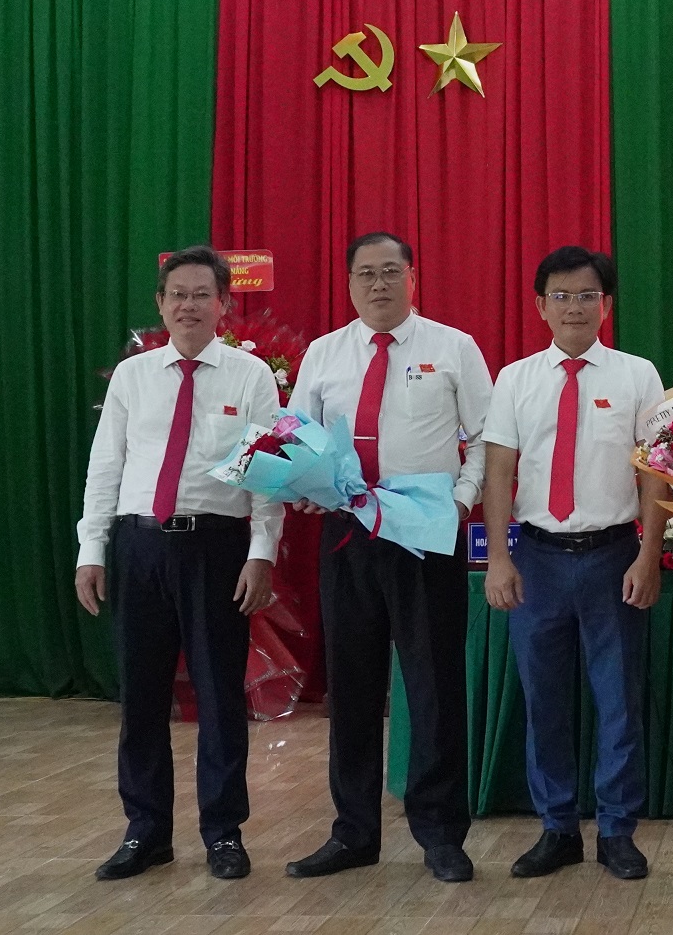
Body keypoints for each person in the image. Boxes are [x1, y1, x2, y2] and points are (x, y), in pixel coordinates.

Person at [285, 232, 493, 885]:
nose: (378, 284)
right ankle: (353, 832)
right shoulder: (324, 353)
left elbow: (486, 437)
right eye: (365, 274)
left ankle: (441, 834)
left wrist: (461, 500)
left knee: (434, 687)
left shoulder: (453, 347)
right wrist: (304, 484)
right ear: (349, 283)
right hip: (347, 534)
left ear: (412, 277)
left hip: (425, 534)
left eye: (389, 272)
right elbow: (295, 437)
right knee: (351, 688)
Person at [76, 246, 283, 883]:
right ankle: (145, 832)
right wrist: (92, 551)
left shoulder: (251, 375)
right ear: (161, 304)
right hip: (140, 546)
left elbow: (267, 473)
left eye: (201, 295)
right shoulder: (134, 376)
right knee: (141, 696)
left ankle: (224, 833)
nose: (188, 305)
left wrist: (262, 554)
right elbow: (105, 466)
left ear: (224, 304)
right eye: (177, 295)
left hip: (216, 548)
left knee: (220, 697)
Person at [482, 246, 669, 882]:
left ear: (606, 305)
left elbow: (654, 472)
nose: (574, 307)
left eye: (587, 295)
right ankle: (557, 827)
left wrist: (649, 554)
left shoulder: (638, 375)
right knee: (545, 701)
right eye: (561, 296)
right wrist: (499, 558)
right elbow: (499, 472)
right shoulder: (515, 379)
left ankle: (617, 830)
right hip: (537, 558)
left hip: (613, 555)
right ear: (540, 306)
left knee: (619, 702)